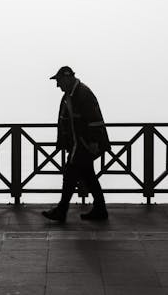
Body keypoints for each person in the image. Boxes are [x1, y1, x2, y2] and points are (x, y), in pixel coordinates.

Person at [42, 66, 111, 222]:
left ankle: (62, 210)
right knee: (88, 176)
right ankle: (100, 209)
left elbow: (94, 119)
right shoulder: (70, 94)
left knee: (70, 175)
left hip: (84, 144)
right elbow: (66, 122)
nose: (57, 85)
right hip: (78, 144)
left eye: (59, 81)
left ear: (67, 78)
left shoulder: (82, 94)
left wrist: (93, 142)